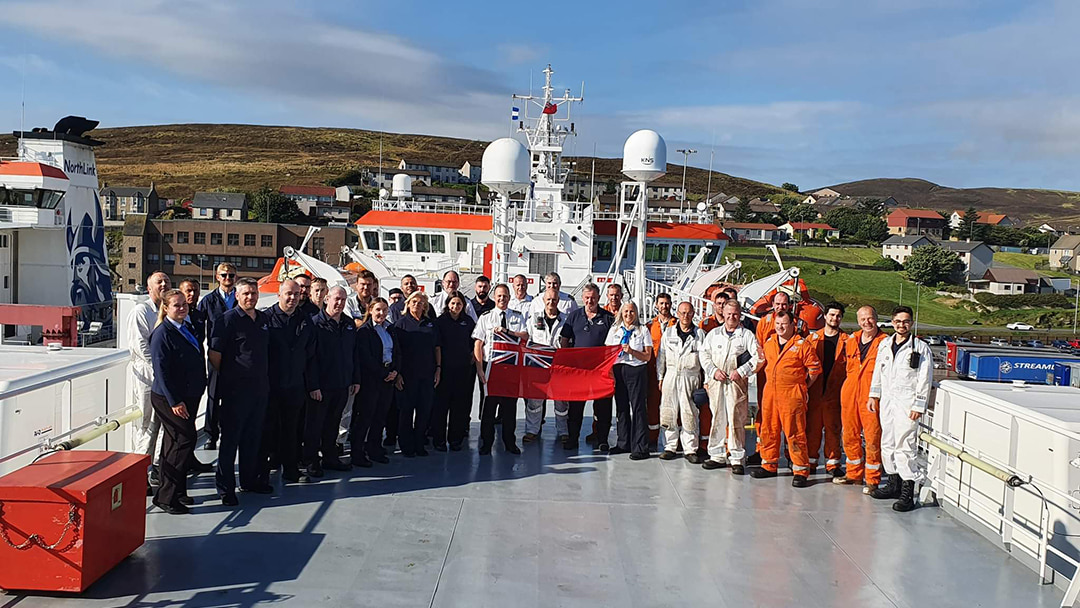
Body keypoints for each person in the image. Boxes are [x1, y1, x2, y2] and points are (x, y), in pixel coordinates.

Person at [208, 278, 271, 505]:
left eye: (253, 293)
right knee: (230, 441)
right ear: (237, 295)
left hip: (260, 389)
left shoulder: (263, 319)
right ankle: (226, 489)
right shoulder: (226, 321)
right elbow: (215, 355)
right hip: (235, 391)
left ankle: (248, 480)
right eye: (245, 293)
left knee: (253, 439)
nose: (250, 297)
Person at [868, 306, 933, 512]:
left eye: (905, 322)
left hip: (907, 402)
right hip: (887, 400)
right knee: (887, 442)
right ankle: (893, 483)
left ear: (911, 323)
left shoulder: (920, 348)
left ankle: (907, 490)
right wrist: (874, 394)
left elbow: (925, 377)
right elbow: (878, 371)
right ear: (892, 322)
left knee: (905, 444)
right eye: (898, 321)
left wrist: (919, 404)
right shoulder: (885, 345)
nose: (901, 325)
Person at [149, 289, 207, 515]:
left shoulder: (185, 327)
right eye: (176, 305)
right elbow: (162, 372)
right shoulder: (162, 334)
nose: (182, 308)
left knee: (173, 443)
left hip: (188, 395)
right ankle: (165, 496)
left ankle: (178, 490)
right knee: (184, 439)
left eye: (184, 304)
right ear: (165, 308)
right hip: (170, 398)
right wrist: (175, 401)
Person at [753, 310, 821, 488]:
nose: (780, 327)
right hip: (770, 394)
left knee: (795, 433)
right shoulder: (769, 343)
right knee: (769, 429)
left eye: (784, 324)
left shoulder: (802, 345)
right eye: (777, 324)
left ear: (793, 324)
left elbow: (814, 370)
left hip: (791, 395)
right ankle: (769, 464)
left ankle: (800, 469)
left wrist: (802, 386)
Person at [260, 279, 315, 485]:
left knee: (292, 430)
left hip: (295, 385)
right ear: (279, 295)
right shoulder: (265, 319)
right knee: (268, 430)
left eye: (296, 294)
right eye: (288, 294)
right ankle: (263, 472)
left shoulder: (305, 320)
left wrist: (310, 383)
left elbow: (310, 354)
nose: (292, 298)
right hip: (271, 384)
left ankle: (290, 470)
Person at [304, 287, 360, 480]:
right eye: (336, 299)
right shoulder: (315, 324)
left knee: (333, 424)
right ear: (327, 299)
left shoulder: (348, 324)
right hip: (321, 386)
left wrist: (355, 379)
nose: (340, 303)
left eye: (343, 300)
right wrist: (313, 386)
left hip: (342, 383)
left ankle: (330, 457)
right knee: (315, 425)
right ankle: (311, 460)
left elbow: (354, 354)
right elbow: (309, 359)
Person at [699, 299, 759, 474]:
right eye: (728, 314)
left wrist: (741, 371)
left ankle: (737, 458)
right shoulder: (713, 334)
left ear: (740, 315)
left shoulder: (747, 335)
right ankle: (716, 455)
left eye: (735, 314)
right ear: (723, 314)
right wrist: (712, 371)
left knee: (736, 419)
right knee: (717, 417)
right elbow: (704, 355)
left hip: (736, 383)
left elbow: (757, 357)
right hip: (717, 381)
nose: (731, 317)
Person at [833, 306, 888, 493]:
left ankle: (872, 479)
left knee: (872, 437)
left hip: (871, 395)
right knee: (849, 434)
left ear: (876, 319)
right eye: (863, 319)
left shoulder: (884, 342)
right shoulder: (851, 340)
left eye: (870, 318)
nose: (867, 322)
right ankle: (853, 473)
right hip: (850, 393)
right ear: (858, 321)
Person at [473, 283, 529, 455]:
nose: (502, 299)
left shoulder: (518, 317)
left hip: (511, 368)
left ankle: (509, 442)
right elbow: (478, 343)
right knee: (488, 408)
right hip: (491, 367)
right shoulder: (486, 317)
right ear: (494, 297)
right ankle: (486, 443)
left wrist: (508, 332)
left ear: (509, 297)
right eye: (499, 296)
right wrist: (480, 369)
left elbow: (525, 336)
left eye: (505, 296)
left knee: (509, 409)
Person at [560, 283, 616, 450]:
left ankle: (602, 440)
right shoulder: (574, 317)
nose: (590, 301)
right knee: (575, 408)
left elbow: (614, 343)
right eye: (587, 298)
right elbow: (564, 340)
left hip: (601, 371)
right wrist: (567, 361)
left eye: (593, 298)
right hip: (579, 372)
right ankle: (572, 439)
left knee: (603, 408)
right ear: (582, 298)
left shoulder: (608, 318)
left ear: (599, 298)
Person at [129, 271, 170, 495]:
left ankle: (154, 466)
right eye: (159, 282)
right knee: (146, 424)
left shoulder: (167, 311)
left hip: (163, 377)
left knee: (162, 424)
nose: (163, 284)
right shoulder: (141, 311)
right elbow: (141, 346)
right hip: (147, 376)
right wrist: (160, 369)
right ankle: (140, 472)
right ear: (149, 288)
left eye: (166, 282)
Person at [354, 297, 401, 465]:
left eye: (384, 310)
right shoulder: (365, 332)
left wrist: (395, 370)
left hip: (388, 378)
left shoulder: (390, 329)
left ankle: (375, 448)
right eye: (378, 310)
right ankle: (357, 452)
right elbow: (366, 358)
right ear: (371, 310)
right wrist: (382, 373)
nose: (381, 313)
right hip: (371, 379)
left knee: (380, 417)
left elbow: (396, 352)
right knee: (365, 416)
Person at [394, 291, 442, 457]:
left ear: (425, 306)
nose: (417, 305)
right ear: (408, 303)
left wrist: (438, 368)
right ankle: (406, 446)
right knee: (406, 411)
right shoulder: (400, 325)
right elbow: (396, 351)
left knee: (424, 411)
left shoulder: (430, 325)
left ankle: (419, 443)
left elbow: (437, 348)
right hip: (407, 376)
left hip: (427, 374)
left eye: (421, 302)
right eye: (414, 301)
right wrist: (398, 374)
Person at [657, 301, 705, 464]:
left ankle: (690, 449)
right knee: (668, 411)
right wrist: (660, 377)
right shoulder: (669, 333)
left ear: (693, 314)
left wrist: (704, 382)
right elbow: (661, 357)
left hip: (690, 376)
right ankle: (670, 446)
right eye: (682, 312)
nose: (685, 316)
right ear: (677, 313)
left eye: (689, 313)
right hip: (671, 375)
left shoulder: (700, 334)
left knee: (689, 412)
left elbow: (705, 359)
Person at [197, 262, 238, 450]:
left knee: (235, 395)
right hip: (215, 354)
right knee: (214, 395)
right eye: (224, 275)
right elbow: (197, 328)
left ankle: (231, 432)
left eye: (231, 275)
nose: (227, 279)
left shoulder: (241, 297)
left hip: (239, 355)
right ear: (217, 277)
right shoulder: (209, 301)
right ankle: (211, 435)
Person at [605, 301, 652, 460]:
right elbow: (607, 353)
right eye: (626, 312)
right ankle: (623, 442)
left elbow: (647, 356)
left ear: (636, 313)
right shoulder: (615, 330)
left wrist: (631, 351)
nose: (628, 315)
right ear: (621, 313)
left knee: (638, 408)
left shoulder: (642, 330)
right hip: (619, 370)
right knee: (621, 407)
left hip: (636, 369)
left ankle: (640, 446)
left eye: (632, 312)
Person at [806, 302, 847, 477]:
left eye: (838, 316)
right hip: (815, 391)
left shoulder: (848, 341)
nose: (834, 318)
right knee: (812, 429)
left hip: (835, 393)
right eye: (831, 315)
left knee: (833, 429)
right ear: (825, 316)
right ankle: (810, 462)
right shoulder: (812, 340)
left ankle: (833, 464)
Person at [524, 288, 569, 443]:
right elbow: (526, 339)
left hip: (558, 367)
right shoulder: (534, 318)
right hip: (538, 366)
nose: (551, 302)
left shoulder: (566, 320)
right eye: (548, 299)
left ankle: (563, 431)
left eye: (554, 300)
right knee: (534, 401)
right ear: (543, 300)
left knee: (561, 402)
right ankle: (532, 430)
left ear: (558, 301)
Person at [433, 291, 476, 451]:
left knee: (459, 406)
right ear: (448, 304)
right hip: (444, 370)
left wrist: (473, 355)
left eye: (459, 304)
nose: (455, 307)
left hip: (463, 370)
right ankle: (439, 440)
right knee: (441, 406)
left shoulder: (469, 321)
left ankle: (455, 439)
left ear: (463, 306)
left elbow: (475, 341)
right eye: (453, 303)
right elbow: (436, 345)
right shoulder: (440, 322)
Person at [647, 293, 676, 450]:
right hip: (653, 371)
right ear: (656, 305)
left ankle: (673, 440)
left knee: (673, 405)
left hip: (672, 370)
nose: (664, 306)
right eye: (661, 303)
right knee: (652, 405)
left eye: (667, 303)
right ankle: (652, 436)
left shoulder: (677, 325)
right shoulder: (649, 326)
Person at [179, 279, 206, 344]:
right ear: (181, 293)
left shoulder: (200, 315)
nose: (192, 294)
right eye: (188, 291)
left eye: (195, 291)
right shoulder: (176, 315)